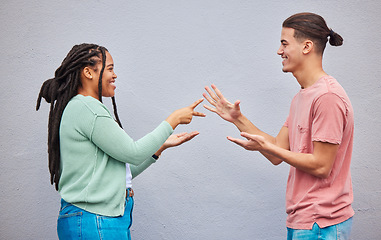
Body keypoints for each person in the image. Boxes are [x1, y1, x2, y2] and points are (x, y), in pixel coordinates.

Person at [203, 13, 354, 240]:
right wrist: (237, 119)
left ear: (306, 46)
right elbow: (276, 150)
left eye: (284, 43)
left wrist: (273, 149)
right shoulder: (302, 97)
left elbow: (322, 166)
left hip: (321, 224)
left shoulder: (327, 97)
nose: (278, 51)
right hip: (303, 221)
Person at [36, 43, 205, 239]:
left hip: (98, 219)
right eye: (110, 68)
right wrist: (173, 120)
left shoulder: (82, 107)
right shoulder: (88, 108)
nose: (115, 75)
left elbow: (118, 174)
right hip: (95, 220)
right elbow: (133, 153)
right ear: (88, 72)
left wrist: (160, 148)